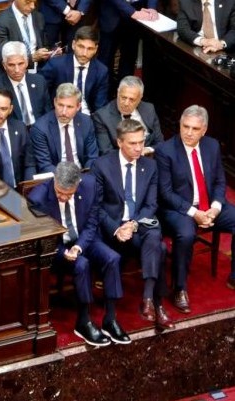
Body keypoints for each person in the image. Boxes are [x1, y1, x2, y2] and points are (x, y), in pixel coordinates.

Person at [29, 162, 130, 346]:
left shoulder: (90, 186)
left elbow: (92, 223)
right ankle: (84, 321)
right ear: (54, 180)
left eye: (69, 194)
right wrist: (64, 252)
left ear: (78, 184)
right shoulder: (38, 198)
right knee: (81, 264)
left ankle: (110, 319)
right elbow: (42, 238)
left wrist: (79, 247)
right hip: (56, 247)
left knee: (112, 258)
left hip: (84, 239)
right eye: (60, 192)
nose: (63, 198)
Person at [91, 119, 174, 331]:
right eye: (133, 143)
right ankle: (157, 304)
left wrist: (133, 224)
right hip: (113, 227)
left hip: (139, 223)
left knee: (153, 234)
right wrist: (117, 228)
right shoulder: (102, 165)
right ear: (119, 142)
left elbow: (151, 204)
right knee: (160, 248)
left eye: (141, 142)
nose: (139, 148)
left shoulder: (150, 165)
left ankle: (148, 299)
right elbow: (96, 206)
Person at [155, 106, 235, 313]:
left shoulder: (212, 146)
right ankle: (179, 288)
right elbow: (165, 193)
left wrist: (215, 209)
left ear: (204, 130)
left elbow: (220, 181)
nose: (189, 132)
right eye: (185, 126)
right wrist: (195, 213)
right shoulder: (165, 150)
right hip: (178, 209)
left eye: (195, 128)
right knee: (186, 234)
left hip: (209, 206)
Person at [30, 83, 98, 174]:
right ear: (55, 102)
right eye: (60, 105)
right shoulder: (40, 128)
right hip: (56, 176)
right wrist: (68, 179)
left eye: (69, 107)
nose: (64, 112)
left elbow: (92, 157)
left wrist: (87, 175)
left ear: (78, 107)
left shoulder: (86, 122)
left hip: (83, 174)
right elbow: (45, 165)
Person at [41, 26, 108, 115]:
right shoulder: (56, 65)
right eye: (81, 47)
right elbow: (41, 93)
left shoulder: (101, 71)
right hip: (59, 114)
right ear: (73, 45)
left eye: (90, 49)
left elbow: (100, 106)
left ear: (95, 49)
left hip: (87, 116)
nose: (84, 53)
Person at [0, 41, 51, 126]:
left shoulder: (39, 81)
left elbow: (47, 113)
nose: (17, 70)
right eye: (11, 65)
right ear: (4, 65)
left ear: (26, 62)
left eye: (20, 64)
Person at [92, 75, 163, 156]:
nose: (126, 103)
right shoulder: (102, 116)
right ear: (118, 93)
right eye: (123, 98)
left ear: (140, 98)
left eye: (132, 100)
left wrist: (148, 149)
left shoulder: (149, 109)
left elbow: (160, 143)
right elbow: (106, 152)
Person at [97, 0, 158, 81]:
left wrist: (151, 8)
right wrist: (132, 12)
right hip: (112, 12)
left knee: (129, 60)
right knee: (105, 60)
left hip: (138, 13)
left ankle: (125, 88)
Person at [0, 0, 53, 75]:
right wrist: (31, 58)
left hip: (39, 70)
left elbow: (45, 44)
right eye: (28, 2)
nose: (32, 6)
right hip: (13, 73)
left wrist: (50, 52)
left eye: (34, 2)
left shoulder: (38, 17)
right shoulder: (1, 22)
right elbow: (3, 56)